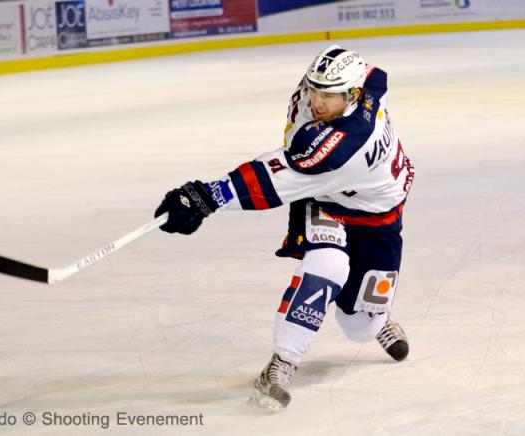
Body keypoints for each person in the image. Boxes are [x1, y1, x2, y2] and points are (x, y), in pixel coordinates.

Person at [154, 45, 415, 410]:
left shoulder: (344, 144)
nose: (318, 101)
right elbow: (375, 76)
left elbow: (274, 176)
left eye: (329, 95)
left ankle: (374, 316)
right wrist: (209, 197)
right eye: (315, 90)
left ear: (352, 95)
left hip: (376, 213)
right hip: (323, 197)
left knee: (359, 325)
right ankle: (282, 363)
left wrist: (204, 198)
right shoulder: (358, 85)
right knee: (328, 267)